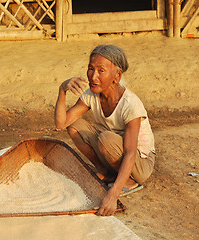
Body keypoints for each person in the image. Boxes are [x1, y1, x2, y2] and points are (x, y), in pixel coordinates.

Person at [54, 44, 155, 216]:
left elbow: (130, 153)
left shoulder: (130, 104)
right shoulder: (91, 94)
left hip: (140, 163)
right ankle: (108, 173)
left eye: (101, 71)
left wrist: (112, 196)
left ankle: (129, 182)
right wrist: (62, 90)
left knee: (106, 139)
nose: (93, 76)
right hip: (111, 148)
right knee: (74, 126)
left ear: (117, 75)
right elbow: (61, 124)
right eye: (91, 69)